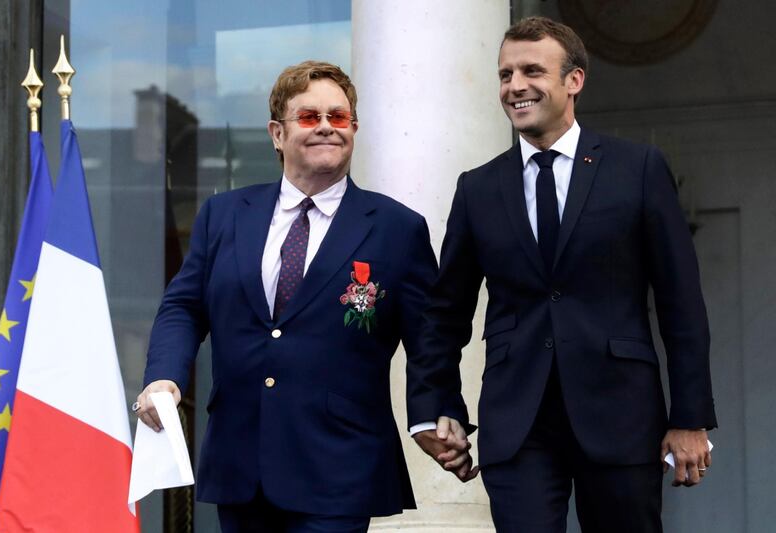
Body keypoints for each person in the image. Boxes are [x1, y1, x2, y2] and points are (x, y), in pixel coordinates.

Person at [408, 16, 717, 533]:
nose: (515, 86)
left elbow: (681, 303)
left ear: (574, 80)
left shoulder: (637, 169)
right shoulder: (478, 188)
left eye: (532, 71)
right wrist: (432, 406)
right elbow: (444, 313)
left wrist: (690, 418)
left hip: (620, 415)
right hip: (517, 422)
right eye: (506, 75)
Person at [134, 61, 467, 533]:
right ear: (277, 133)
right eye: (310, 117)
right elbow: (184, 306)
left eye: (340, 117)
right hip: (241, 461)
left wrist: (435, 412)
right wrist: (164, 377)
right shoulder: (224, 215)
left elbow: (429, 336)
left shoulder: (396, 228)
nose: (328, 127)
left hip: (339, 463)